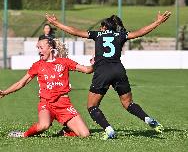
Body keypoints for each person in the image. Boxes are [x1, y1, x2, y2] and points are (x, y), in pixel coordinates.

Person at [46, 11, 171, 139]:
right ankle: (147, 118)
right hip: (119, 70)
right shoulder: (120, 35)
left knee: (92, 106)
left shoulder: (98, 34)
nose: (100, 29)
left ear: (104, 27)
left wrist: (56, 23)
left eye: (101, 27)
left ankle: (108, 129)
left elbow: (75, 31)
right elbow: (140, 32)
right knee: (128, 103)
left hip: (102, 72)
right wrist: (158, 22)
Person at [0, 38, 94, 138]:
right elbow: (21, 83)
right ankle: (23, 134)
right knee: (43, 125)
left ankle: (65, 132)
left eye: (41, 48)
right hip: (46, 103)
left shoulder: (64, 62)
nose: (39, 51)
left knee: (85, 134)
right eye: (38, 48)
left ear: (50, 48)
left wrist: (98, 62)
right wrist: (5, 92)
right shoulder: (37, 65)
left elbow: (87, 70)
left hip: (64, 104)